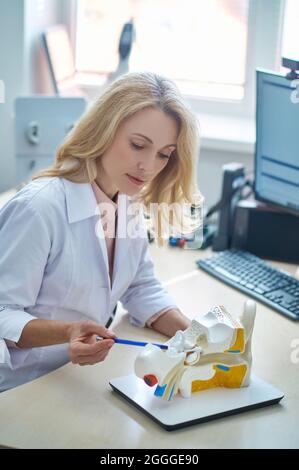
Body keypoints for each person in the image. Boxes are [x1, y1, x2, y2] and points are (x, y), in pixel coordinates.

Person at [0, 71, 202, 391]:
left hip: (76, 379)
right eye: (138, 145)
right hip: (23, 386)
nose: (149, 166)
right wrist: (66, 331)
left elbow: (139, 285)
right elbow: (2, 314)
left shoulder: (126, 200)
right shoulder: (39, 209)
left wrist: (194, 337)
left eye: (164, 154)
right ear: (104, 131)